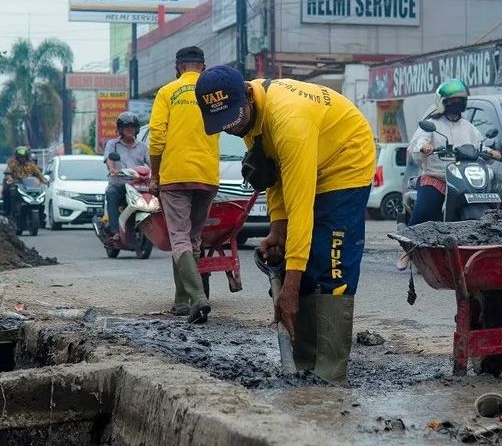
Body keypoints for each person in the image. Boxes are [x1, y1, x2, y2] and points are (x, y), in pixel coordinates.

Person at [195, 65, 376, 387]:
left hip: (344, 163)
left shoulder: (288, 120)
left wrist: (289, 288)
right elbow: (273, 175)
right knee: (302, 265)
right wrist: (278, 228)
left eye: (236, 120)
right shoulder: (252, 117)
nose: (233, 129)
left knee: (331, 263)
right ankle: (305, 363)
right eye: (224, 125)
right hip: (309, 158)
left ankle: (331, 373)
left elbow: (301, 207)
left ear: (249, 95)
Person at [148, 46, 220, 323]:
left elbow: (156, 137)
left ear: (178, 67)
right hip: (207, 174)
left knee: (179, 237)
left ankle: (198, 297)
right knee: (192, 239)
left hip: (176, 174)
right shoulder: (213, 94)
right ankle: (181, 302)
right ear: (202, 66)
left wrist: (156, 174)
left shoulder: (167, 92)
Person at [396, 79, 498, 271]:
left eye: (460, 100)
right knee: (426, 209)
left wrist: (491, 152)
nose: (457, 104)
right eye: (452, 101)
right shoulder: (432, 124)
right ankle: (408, 250)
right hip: (437, 177)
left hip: (463, 177)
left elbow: (481, 145)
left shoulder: (469, 127)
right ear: (442, 102)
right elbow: (419, 143)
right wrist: (425, 147)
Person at [101, 111, 149, 238]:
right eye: (127, 127)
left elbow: (151, 163)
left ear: (137, 129)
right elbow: (109, 160)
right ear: (120, 129)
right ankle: (115, 231)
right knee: (111, 193)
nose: (130, 130)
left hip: (138, 184)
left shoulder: (143, 147)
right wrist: (113, 169)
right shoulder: (112, 144)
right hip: (119, 183)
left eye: (132, 127)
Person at [2, 146, 47, 220]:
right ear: (17, 157)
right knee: (8, 193)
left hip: (28, 187)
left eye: (23, 157)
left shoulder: (31, 165)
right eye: (20, 157)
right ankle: (10, 213)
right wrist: (10, 179)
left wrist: (43, 179)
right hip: (17, 186)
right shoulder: (12, 164)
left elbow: (38, 173)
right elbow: (8, 173)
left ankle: (41, 215)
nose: (21, 158)